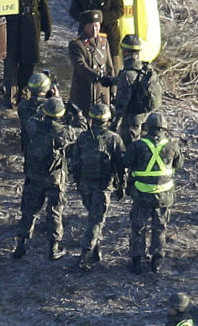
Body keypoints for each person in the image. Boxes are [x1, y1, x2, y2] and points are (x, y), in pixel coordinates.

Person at [13, 97, 86, 261]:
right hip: (55, 178)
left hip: (33, 176)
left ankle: (21, 245)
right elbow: (82, 128)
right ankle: (54, 247)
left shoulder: (33, 127)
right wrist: (77, 112)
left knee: (29, 211)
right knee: (54, 212)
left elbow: (31, 118)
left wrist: (44, 106)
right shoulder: (64, 132)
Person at [124, 112, 183, 274]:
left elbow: (126, 162)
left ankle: (136, 261)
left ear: (147, 127)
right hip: (164, 196)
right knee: (160, 227)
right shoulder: (172, 146)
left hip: (142, 194)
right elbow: (179, 163)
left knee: (138, 227)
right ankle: (157, 260)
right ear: (164, 128)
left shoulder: (137, 145)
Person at [69, 103, 126, 271]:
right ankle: (85, 254)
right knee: (96, 220)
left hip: (85, 184)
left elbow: (75, 161)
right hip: (103, 186)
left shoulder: (83, 137)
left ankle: (95, 251)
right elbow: (120, 165)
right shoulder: (114, 139)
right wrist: (122, 185)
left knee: (93, 216)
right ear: (108, 120)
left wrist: (78, 182)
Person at [4, 0, 51, 108]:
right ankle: (11, 94)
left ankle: (24, 93)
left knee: (28, 61)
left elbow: (42, 4)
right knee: (11, 60)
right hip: (12, 25)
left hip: (31, 25)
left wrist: (47, 26)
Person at [68, 0, 124, 69]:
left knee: (113, 66)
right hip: (87, 34)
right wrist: (87, 20)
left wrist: (100, 19)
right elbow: (73, 10)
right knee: (88, 64)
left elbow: (119, 10)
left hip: (109, 33)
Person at [106, 34, 162, 145]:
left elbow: (122, 104)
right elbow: (135, 81)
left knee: (131, 149)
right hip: (146, 117)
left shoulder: (126, 74)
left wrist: (113, 125)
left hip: (131, 120)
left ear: (125, 52)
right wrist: (113, 80)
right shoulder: (145, 69)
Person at [69, 10, 115, 115]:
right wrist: (97, 77)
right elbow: (80, 66)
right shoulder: (77, 44)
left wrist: (113, 88)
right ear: (85, 26)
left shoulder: (103, 41)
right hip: (85, 91)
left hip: (102, 92)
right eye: (91, 26)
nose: (95, 29)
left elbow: (109, 66)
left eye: (97, 26)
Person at [17, 72, 58, 151]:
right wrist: (56, 99)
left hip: (28, 147)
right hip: (47, 149)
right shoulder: (50, 106)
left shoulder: (22, 105)